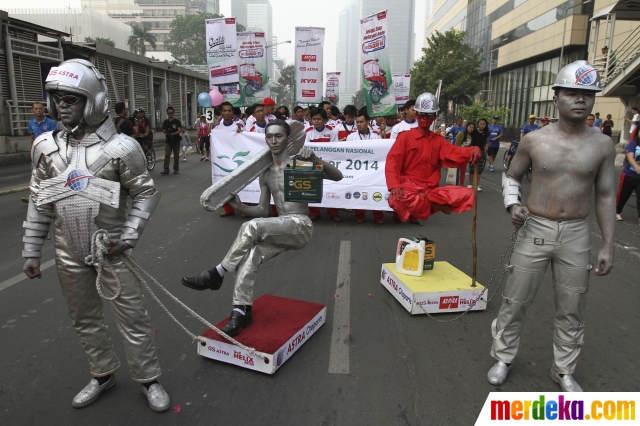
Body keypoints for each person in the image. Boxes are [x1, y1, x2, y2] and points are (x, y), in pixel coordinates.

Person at [22, 59, 169, 411]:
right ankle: (102, 374)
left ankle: (149, 380)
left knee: (132, 317)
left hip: (112, 249)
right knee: (84, 318)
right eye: (57, 98)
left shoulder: (122, 148)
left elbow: (146, 193)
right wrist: (30, 250)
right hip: (67, 250)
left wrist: (129, 237)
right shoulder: (45, 147)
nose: (61, 106)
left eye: (70, 99)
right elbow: (39, 199)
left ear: (93, 101)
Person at [488, 60, 615, 392]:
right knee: (515, 300)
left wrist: (608, 244)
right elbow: (512, 175)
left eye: (587, 94)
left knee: (572, 307)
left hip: (576, 233)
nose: (579, 100)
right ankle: (503, 357)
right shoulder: (535, 141)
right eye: (571, 93)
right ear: (556, 96)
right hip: (535, 229)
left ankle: (563, 370)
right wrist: (513, 204)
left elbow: (605, 194)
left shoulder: (602, 145)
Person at [181, 120, 343, 336]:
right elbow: (263, 210)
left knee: (251, 227)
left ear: (288, 139)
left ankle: (217, 273)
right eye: (269, 137)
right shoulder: (265, 174)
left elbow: (338, 176)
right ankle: (241, 311)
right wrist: (240, 207)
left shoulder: (300, 162)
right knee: (249, 259)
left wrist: (314, 159)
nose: (273, 141)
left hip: (301, 226)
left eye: (278, 136)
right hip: (280, 226)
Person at [385, 92, 481, 223]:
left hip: (431, 190)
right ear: (416, 115)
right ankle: (433, 204)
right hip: (409, 187)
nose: (425, 118)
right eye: (422, 114)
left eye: (429, 115)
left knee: (469, 195)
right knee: (394, 199)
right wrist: (394, 185)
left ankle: (425, 200)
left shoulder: (438, 141)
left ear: (434, 117)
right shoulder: (405, 137)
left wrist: (473, 150)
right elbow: (392, 162)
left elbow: (454, 152)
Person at [347, 109, 384, 224]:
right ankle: (360, 215)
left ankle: (378, 216)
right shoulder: (351, 137)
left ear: (368, 122)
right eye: (357, 122)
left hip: (373, 170)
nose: (358, 124)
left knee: (376, 191)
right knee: (358, 192)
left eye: (361, 122)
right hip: (358, 171)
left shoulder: (376, 135)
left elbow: (381, 151)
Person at [305, 107, 340, 222]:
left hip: (328, 164)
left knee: (331, 188)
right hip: (313, 164)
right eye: (314, 119)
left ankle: (333, 213)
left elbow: (335, 148)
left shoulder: (332, 131)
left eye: (319, 119)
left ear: (324, 119)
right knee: (312, 188)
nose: (316, 121)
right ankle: (314, 212)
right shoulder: (308, 132)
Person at [214, 102, 245, 217]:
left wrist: (240, 133)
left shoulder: (239, 126)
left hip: (237, 159)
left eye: (229, 111)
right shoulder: (217, 128)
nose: (227, 113)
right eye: (225, 111)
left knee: (241, 183)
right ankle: (228, 208)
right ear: (221, 113)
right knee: (224, 184)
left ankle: (244, 207)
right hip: (224, 161)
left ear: (232, 112)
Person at [23, 102, 57, 203]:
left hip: (48, 151)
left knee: (50, 173)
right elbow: (32, 138)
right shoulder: (31, 123)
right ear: (32, 111)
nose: (39, 111)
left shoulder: (51, 123)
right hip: (37, 151)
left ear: (43, 110)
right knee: (34, 173)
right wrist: (32, 151)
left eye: (40, 109)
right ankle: (33, 195)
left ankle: (52, 194)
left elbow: (54, 137)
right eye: (36, 109)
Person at [616, 130, 640, 224]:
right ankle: (617, 211)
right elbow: (630, 157)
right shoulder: (633, 144)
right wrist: (637, 167)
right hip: (629, 174)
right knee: (623, 195)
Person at [466, 118, 489, 191]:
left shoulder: (486, 133)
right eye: (481, 124)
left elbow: (487, 142)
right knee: (472, 168)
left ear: (486, 125)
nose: (482, 125)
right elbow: (468, 135)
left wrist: (487, 146)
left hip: (481, 152)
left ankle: (477, 184)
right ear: (478, 124)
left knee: (479, 169)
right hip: (472, 151)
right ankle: (470, 184)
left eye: (484, 124)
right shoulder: (474, 131)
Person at [160, 106, 181, 175]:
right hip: (168, 140)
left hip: (176, 140)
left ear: (173, 113)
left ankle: (176, 169)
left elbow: (180, 130)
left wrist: (173, 133)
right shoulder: (165, 122)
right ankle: (166, 169)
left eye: (171, 113)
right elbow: (163, 130)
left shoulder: (177, 121)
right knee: (167, 155)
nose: (170, 114)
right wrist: (165, 131)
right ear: (167, 113)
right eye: (169, 113)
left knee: (176, 156)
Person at [455, 122, 475, 187]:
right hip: (458, 155)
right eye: (470, 127)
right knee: (456, 170)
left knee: (463, 171)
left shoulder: (473, 136)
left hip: (466, 156)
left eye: (472, 127)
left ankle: (462, 184)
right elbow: (456, 144)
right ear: (467, 127)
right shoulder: (461, 134)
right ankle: (455, 184)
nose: (471, 129)